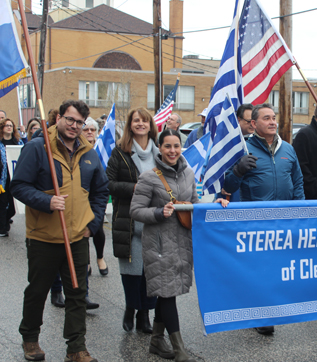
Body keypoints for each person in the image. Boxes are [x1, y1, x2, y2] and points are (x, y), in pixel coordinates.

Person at [11, 99, 108, 362]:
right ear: (58, 118)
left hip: (77, 236)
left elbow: (101, 191)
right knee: (38, 290)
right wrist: (47, 201)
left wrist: (93, 223)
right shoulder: (37, 147)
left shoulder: (89, 153)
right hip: (43, 236)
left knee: (77, 293)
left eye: (79, 122)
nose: (74, 126)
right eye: (70, 119)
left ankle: (76, 347)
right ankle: (30, 339)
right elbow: (18, 186)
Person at [130, 128, 229, 360]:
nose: (172, 151)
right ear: (160, 148)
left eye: (176, 146)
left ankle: (156, 340)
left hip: (182, 242)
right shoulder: (148, 177)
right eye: (167, 146)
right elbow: (135, 211)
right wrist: (157, 212)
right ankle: (179, 349)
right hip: (159, 244)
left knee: (169, 291)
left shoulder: (188, 174)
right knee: (166, 294)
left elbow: (194, 204)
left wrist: (216, 203)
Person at [225, 104, 304, 335]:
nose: (272, 122)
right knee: (259, 269)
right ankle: (260, 314)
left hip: (284, 221)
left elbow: (298, 182)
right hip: (255, 222)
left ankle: (268, 308)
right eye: (266, 118)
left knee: (276, 269)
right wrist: (238, 170)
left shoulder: (288, 149)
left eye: (274, 117)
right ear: (254, 124)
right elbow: (228, 186)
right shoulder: (243, 149)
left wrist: (300, 211)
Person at [106, 107, 158, 334]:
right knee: (132, 271)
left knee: (150, 272)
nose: (140, 124)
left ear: (150, 125)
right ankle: (131, 307)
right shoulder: (119, 152)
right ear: (130, 125)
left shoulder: (161, 152)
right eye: (136, 121)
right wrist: (135, 187)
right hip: (128, 222)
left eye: (144, 120)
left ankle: (145, 314)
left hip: (155, 221)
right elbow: (108, 185)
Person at [82, 118, 108, 276]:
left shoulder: (103, 148)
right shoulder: (77, 148)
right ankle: (86, 261)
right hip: (81, 194)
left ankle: (100, 257)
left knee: (97, 228)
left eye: (92, 129)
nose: (89, 132)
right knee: (82, 229)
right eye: (86, 129)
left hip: (97, 194)